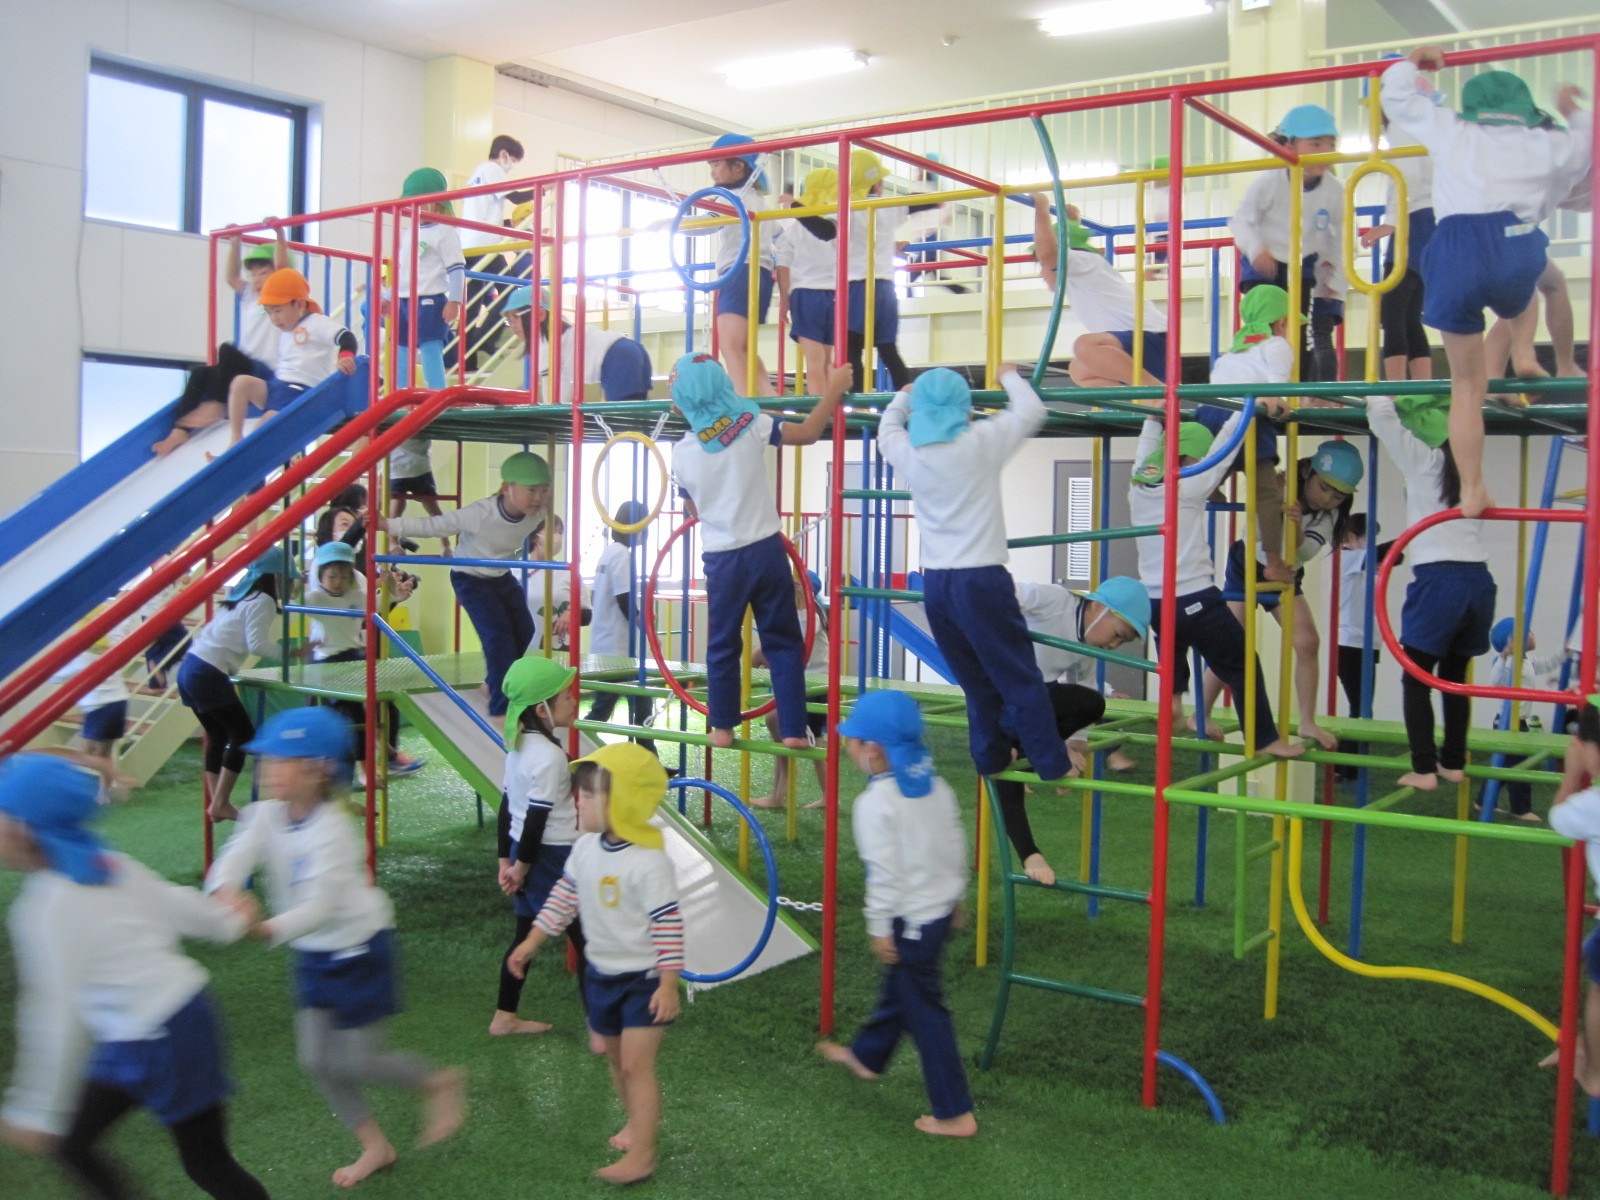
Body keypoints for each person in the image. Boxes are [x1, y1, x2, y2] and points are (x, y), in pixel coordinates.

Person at [205, 707, 466, 1188]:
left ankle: (437, 1082)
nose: (267, 770)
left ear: (318, 769)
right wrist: (225, 891)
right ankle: (376, 1146)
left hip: (360, 950)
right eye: (265, 760)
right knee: (315, 1060)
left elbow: (320, 906)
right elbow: (233, 856)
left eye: (281, 760)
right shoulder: (264, 815)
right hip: (313, 955)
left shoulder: (334, 831)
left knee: (358, 1060)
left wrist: (263, 930)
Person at [0, 753, 271, 1200]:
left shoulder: (46, 909)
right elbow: (172, 903)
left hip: (161, 1034)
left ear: (25, 830)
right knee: (78, 1143)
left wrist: (37, 1111)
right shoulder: (106, 863)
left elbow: (56, 1014)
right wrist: (228, 920)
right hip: (164, 1023)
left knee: (206, 1163)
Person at [1381, 48, 1592, 516]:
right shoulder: (1544, 143)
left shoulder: (1453, 128)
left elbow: (1395, 97)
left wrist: (1411, 62)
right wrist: (1571, 106)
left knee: (1465, 386)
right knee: (1540, 277)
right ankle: (1538, 358)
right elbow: (1585, 143)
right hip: (1516, 244)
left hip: (1456, 248)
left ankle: (1472, 488)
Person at [877, 365, 1073, 781]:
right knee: (1018, 675)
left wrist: (901, 398)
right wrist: (1008, 377)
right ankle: (1052, 763)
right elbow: (1031, 411)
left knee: (975, 680)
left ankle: (990, 756)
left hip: (938, 586)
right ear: (965, 411)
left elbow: (886, 430)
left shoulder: (910, 451)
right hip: (981, 579)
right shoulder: (980, 442)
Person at [508, 743, 683, 1185]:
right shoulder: (585, 849)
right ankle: (633, 1123)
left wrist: (667, 983)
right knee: (613, 1059)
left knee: (635, 1067)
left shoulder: (649, 861)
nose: (577, 800)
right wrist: (531, 941)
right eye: (578, 792)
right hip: (600, 975)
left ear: (619, 800)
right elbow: (563, 899)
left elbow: (667, 925)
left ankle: (643, 1153)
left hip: (642, 980)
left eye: (587, 794)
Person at [816, 689, 976, 1139]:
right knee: (901, 987)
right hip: (938, 912)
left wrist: (879, 927)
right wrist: (955, 897)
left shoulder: (875, 804)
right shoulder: (937, 786)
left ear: (874, 750)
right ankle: (868, 1056)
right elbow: (954, 844)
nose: (847, 747)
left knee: (925, 1010)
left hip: (911, 922)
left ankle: (954, 1111)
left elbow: (884, 874)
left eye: (852, 740)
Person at [669, 353, 843, 748]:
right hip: (766, 550)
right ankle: (796, 730)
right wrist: (831, 392)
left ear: (680, 404)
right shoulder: (752, 425)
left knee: (724, 643)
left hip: (723, 558)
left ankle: (723, 726)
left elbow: (694, 509)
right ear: (726, 388)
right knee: (783, 641)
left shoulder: (682, 453)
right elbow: (810, 433)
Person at [1129, 418, 1303, 758]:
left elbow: (1144, 453)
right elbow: (1223, 454)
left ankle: (1175, 702)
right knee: (1243, 664)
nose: (1205, 465)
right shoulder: (1187, 486)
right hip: (1195, 598)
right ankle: (1265, 739)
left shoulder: (1138, 486)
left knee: (1173, 647)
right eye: (1199, 458)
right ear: (1185, 459)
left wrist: (1151, 421)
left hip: (1155, 602)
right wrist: (1242, 411)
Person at [1199, 439, 1365, 751]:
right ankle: (1202, 712)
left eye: (1338, 495)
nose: (1329, 498)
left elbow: (1302, 554)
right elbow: (1259, 534)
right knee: (1232, 645)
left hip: (1288, 573)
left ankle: (1307, 721)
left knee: (1308, 642)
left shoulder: (1328, 518)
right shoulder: (1282, 486)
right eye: (1324, 487)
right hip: (1248, 565)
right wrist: (1275, 501)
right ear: (1308, 473)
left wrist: (1297, 526)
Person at [1367, 393, 1496, 790]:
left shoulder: (1424, 462)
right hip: (1480, 583)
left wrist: (1381, 391)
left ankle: (1424, 769)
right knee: (1455, 675)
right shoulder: (1470, 472)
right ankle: (1453, 762)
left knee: (1416, 679)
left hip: (1441, 581)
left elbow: (1381, 418)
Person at [1001, 577, 1150, 884]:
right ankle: (1029, 852)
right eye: (1118, 634)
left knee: (1092, 703)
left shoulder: (1089, 643)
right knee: (1002, 760)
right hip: (1005, 692)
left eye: (1122, 642)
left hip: (1038, 697)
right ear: (1098, 606)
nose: (1113, 644)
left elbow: (1083, 683)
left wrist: (1074, 743)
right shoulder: (1055, 600)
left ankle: (1030, 753)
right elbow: (1004, 591)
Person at [379, 451, 549, 716]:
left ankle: (492, 683)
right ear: (507, 488)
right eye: (531, 490)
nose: (538, 498)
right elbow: (436, 525)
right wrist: (387, 524)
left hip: (500, 575)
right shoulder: (482, 513)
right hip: (469, 578)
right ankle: (500, 708)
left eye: (544, 490)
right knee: (498, 638)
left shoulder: (538, 514)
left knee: (526, 629)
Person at [494, 656, 597, 1039]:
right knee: (588, 940)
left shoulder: (518, 748)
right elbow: (536, 818)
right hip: (551, 856)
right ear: (542, 710)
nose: (574, 700)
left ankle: (504, 1016)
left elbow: (509, 807)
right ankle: (599, 1027)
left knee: (525, 934)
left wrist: (506, 859)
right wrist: (520, 867)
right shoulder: (550, 756)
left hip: (527, 850)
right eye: (566, 696)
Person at [177, 549, 301, 822]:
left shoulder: (239, 595)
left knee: (220, 736)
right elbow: (256, 643)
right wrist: (290, 654)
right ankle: (220, 802)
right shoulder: (264, 600)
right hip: (207, 672)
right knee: (243, 734)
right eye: (287, 576)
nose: (289, 582)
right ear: (276, 575)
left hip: (190, 668)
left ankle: (217, 804)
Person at [1228, 104, 1348, 383]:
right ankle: (1256, 385)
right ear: (1291, 145)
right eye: (1315, 143)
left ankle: (1295, 392)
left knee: (1298, 329)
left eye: (1330, 144)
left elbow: (1335, 237)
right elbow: (1241, 221)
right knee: (1265, 327)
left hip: (1301, 264)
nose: (1324, 151)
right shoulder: (1271, 181)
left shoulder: (1334, 190)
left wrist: (1332, 277)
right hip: (1264, 264)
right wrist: (1258, 251)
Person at [150, 227, 289, 456]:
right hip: (240, 367)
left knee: (226, 349)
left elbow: (283, 267)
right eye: (254, 275)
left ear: (275, 275)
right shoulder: (250, 297)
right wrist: (235, 243)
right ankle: (180, 430)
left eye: (263, 273)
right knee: (200, 373)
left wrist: (280, 235)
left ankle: (216, 404)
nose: (256, 279)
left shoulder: (281, 295)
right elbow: (231, 277)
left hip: (263, 371)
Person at [1193, 285, 1297, 584]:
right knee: (1265, 492)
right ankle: (1274, 562)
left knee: (1219, 460)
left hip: (1211, 410)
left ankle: (1212, 485)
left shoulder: (1230, 354)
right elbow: (1275, 395)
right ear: (1282, 323)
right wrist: (1286, 410)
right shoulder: (1277, 346)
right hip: (1249, 413)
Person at [300, 541, 425, 779]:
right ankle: (354, 767)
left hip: (353, 657)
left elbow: (377, 604)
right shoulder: (316, 597)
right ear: (321, 576)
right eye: (331, 576)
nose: (337, 582)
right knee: (347, 716)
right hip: (326, 661)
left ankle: (369, 763)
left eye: (343, 576)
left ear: (350, 577)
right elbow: (298, 603)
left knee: (367, 711)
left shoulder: (356, 595)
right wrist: (296, 584)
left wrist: (395, 594)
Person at [384, 167, 465, 510]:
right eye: (411, 204)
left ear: (435, 203)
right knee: (402, 348)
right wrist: (389, 294)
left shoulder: (445, 232)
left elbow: (457, 267)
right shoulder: (408, 233)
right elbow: (399, 268)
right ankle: (403, 393)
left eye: (421, 203)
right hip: (405, 298)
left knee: (430, 347)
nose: (416, 209)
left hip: (431, 297)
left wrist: (455, 299)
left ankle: (435, 394)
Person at [1030, 196, 1167, 389]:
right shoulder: (1083, 266)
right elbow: (1059, 247)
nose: (1041, 273)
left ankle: (1154, 391)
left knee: (1085, 346)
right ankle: (1148, 404)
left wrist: (1041, 209)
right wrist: (1071, 222)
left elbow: (1049, 253)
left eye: (1042, 265)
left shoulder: (1082, 260)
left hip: (1152, 338)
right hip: (1140, 345)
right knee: (1079, 369)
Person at [227, 268, 360, 447]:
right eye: (269, 312)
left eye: (278, 310)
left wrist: (345, 357)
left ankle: (239, 454)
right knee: (241, 383)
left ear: (299, 304)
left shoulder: (316, 322)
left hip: (302, 392)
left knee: (267, 422)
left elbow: (347, 337)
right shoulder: (287, 332)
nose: (274, 319)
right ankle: (235, 438)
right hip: (280, 387)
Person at [1543, 698, 1600, 1094]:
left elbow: (1559, 818)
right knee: (1584, 956)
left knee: (1598, 990)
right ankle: (1579, 1044)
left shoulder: (1592, 805)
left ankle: (1595, 1074)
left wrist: (1571, 773)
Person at [1359, 118, 1436, 381]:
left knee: (1392, 310)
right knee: (1410, 313)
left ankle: (1395, 390)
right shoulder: (1426, 123)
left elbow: (1406, 175)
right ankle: (1420, 388)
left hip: (1413, 216)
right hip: (1430, 217)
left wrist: (1391, 221)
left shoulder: (1403, 126)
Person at [705, 133, 780, 396]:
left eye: (717, 164)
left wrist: (671, 225)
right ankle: (768, 400)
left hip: (739, 273)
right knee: (746, 348)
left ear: (738, 166)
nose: (713, 171)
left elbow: (702, 227)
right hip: (761, 275)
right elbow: (780, 235)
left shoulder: (729, 197)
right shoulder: (760, 201)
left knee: (730, 346)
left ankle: (742, 403)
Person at [585, 501, 660, 756]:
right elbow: (624, 598)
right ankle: (577, 748)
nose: (645, 531)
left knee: (642, 705)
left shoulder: (609, 552)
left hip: (608, 644)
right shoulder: (623, 555)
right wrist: (642, 619)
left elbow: (596, 596)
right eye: (643, 525)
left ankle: (650, 760)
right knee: (603, 709)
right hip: (618, 650)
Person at [750, 572, 828, 810]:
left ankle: (783, 790)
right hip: (805, 681)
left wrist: (766, 654)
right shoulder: (798, 613)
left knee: (786, 725)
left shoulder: (812, 614)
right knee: (810, 737)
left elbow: (795, 646)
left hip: (815, 683)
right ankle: (783, 790)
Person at [503, 286, 652, 404]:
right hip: (632, 350)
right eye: (508, 321)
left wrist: (549, 415)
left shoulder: (546, 343)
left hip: (616, 358)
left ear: (539, 313)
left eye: (514, 317)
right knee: (636, 419)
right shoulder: (561, 333)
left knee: (623, 421)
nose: (512, 326)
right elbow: (561, 386)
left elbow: (554, 391)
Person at [1480, 616, 1566, 821]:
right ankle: (1521, 808)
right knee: (1518, 766)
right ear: (1513, 639)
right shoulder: (1508, 662)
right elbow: (1495, 682)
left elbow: (1548, 664)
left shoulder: (1528, 661)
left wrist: (1566, 652)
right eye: (1528, 632)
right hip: (1506, 721)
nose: (1533, 635)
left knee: (1506, 764)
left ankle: (1483, 800)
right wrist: (1503, 656)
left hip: (1519, 721)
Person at [1333, 515, 1397, 780]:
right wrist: (1414, 532)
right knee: (1360, 708)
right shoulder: (1346, 558)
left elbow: (1392, 557)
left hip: (1367, 644)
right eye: (1367, 538)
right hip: (1350, 645)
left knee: (1361, 709)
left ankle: (1348, 767)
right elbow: (1387, 553)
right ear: (1351, 537)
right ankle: (1346, 768)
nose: (1371, 544)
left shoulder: (1362, 561)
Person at [774, 168, 844, 392]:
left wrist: (784, 299)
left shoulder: (794, 230)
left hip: (805, 295)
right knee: (827, 361)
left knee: (813, 363)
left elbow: (783, 266)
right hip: (836, 294)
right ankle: (832, 412)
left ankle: (820, 416)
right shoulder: (838, 222)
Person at [523, 513, 589, 657]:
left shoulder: (568, 571)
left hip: (560, 653)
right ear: (535, 535)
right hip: (524, 652)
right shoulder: (516, 571)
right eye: (552, 531)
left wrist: (572, 613)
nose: (557, 537)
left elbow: (587, 614)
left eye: (560, 532)